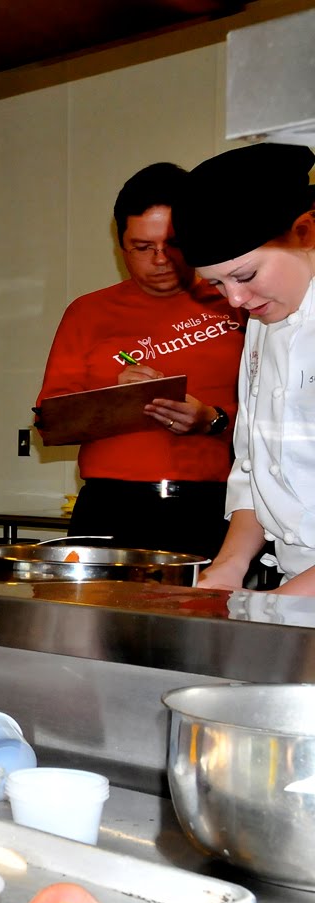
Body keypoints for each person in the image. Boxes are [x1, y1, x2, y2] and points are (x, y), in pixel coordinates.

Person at [34, 162, 246, 558]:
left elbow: (280, 414)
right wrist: (112, 400)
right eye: (143, 247)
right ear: (121, 247)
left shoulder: (238, 303)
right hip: (111, 507)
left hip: (212, 505)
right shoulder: (88, 313)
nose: (161, 259)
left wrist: (213, 420)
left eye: (174, 244)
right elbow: (50, 422)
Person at [173, 143, 315, 594]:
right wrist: (228, 566)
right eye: (216, 283)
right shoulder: (262, 318)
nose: (235, 299)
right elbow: (255, 465)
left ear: (306, 232)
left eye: (246, 275)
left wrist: (281, 606)